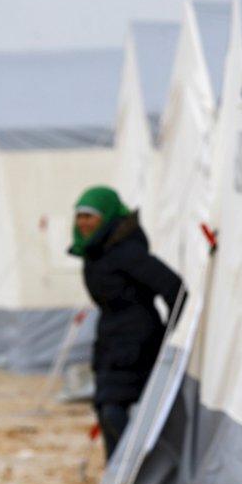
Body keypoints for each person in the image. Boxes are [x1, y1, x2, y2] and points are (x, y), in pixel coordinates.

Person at [68, 186, 186, 460]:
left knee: (114, 410)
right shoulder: (94, 251)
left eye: (91, 216)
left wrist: (170, 338)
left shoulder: (125, 251)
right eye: (80, 216)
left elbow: (174, 288)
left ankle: (134, 474)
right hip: (110, 340)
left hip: (136, 341)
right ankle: (116, 479)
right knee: (105, 409)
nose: (84, 223)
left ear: (107, 216)